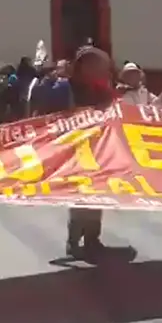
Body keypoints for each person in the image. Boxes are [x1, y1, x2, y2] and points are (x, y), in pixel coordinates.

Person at [63, 46, 117, 259]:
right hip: (73, 148)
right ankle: (73, 240)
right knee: (79, 197)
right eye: (90, 64)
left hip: (99, 149)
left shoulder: (103, 91)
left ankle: (92, 239)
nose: (95, 68)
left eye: (98, 64)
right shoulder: (64, 88)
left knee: (97, 196)